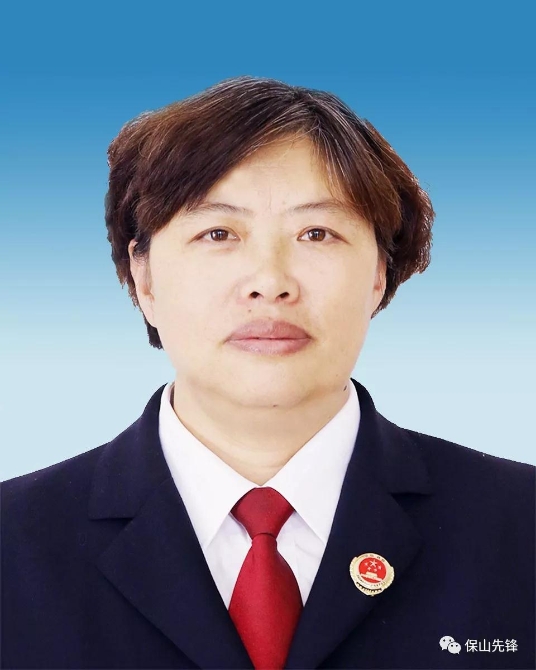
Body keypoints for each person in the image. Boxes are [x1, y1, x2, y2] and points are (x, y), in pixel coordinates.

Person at [1, 76, 534, 670]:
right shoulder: (13, 541)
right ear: (144, 278)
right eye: (218, 233)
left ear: (379, 274)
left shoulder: (521, 524)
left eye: (317, 233)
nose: (270, 281)